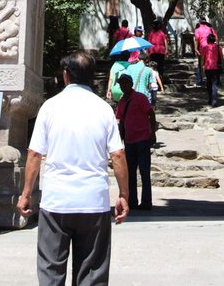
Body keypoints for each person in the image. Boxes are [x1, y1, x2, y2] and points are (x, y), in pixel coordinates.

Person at [19, 50, 130, 286]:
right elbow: (118, 154)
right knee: (92, 274)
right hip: (93, 201)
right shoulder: (104, 109)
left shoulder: (50, 107)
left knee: (51, 271)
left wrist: (26, 193)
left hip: (56, 201)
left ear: (66, 75)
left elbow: (35, 153)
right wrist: (124, 195)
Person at [114, 74, 154, 211]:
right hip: (129, 142)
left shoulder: (140, 98)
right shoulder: (121, 102)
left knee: (144, 172)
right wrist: (119, 140)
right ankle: (132, 201)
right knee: (130, 173)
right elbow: (121, 121)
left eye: (125, 83)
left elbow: (151, 114)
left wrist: (152, 133)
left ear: (131, 84)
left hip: (142, 139)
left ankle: (146, 202)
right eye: (121, 84)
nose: (123, 86)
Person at [197, 22, 224, 107]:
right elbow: (222, 57)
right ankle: (214, 100)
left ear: (208, 40)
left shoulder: (205, 47)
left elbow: (203, 57)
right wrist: (223, 65)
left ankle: (210, 99)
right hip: (216, 67)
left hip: (208, 67)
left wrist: (202, 66)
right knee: (214, 83)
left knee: (209, 83)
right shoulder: (218, 47)